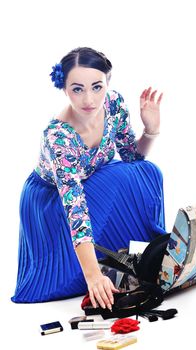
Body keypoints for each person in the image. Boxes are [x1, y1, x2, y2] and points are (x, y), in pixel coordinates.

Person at [11, 47, 166, 311]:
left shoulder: (114, 103)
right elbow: (76, 208)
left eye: (96, 87)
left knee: (148, 171)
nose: (89, 99)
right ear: (64, 89)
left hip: (94, 180)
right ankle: (89, 266)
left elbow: (132, 158)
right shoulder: (58, 136)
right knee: (117, 179)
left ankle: (149, 253)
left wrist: (151, 130)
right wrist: (93, 276)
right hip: (52, 201)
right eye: (77, 89)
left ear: (108, 83)